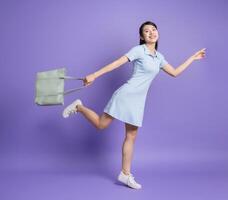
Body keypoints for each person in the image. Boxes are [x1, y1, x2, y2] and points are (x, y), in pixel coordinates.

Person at [62, 21, 206, 189]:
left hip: (138, 102)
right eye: (147, 31)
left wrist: (192, 58)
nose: (151, 32)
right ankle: (79, 107)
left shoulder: (159, 57)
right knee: (101, 125)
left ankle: (125, 174)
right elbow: (116, 63)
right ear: (141, 36)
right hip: (126, 95)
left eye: (153, 29)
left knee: (131, 137)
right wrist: (94, 75)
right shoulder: (138, 50)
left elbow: (175, 73)